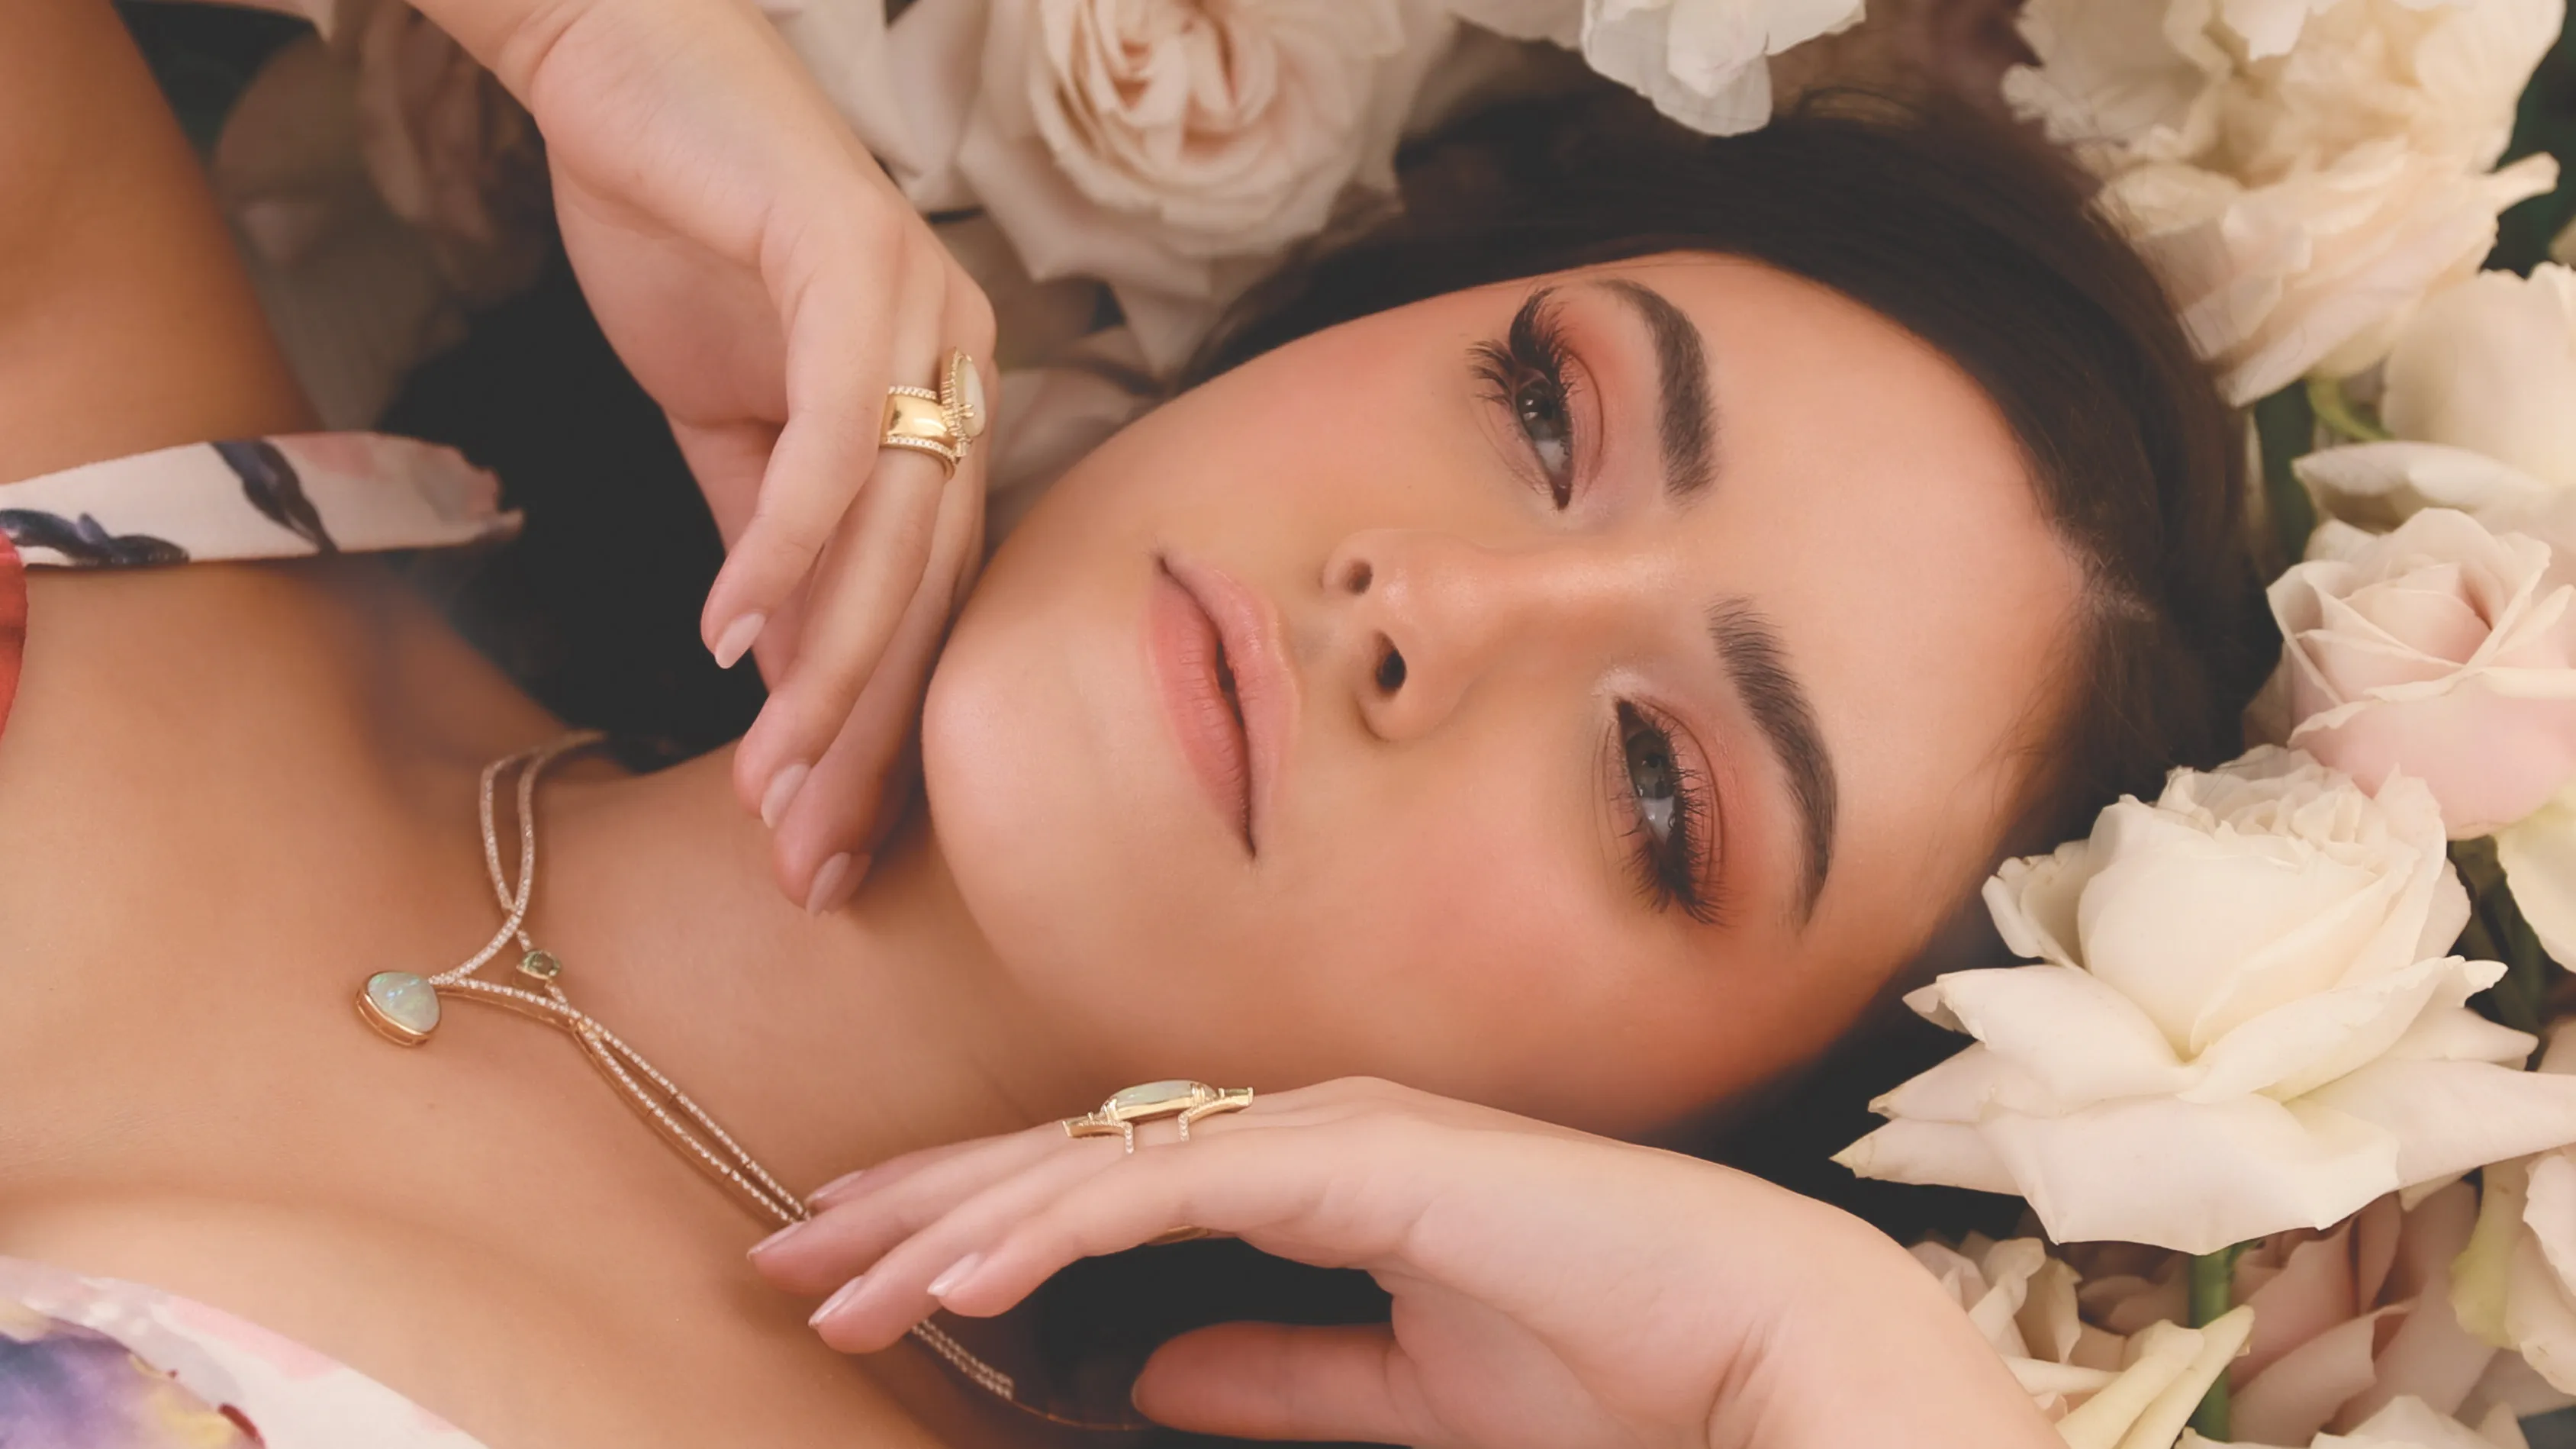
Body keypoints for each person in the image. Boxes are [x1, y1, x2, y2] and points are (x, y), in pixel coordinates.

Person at [0, 0, 2267, 1445]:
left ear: (1678, 1158)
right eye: (1546, 407)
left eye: (1663, 788)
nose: (1434, 608)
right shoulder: (118, 431)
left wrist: (1824, 1394)